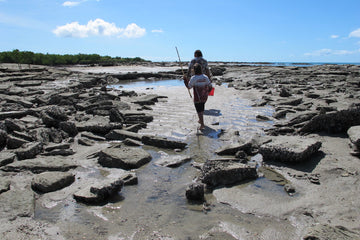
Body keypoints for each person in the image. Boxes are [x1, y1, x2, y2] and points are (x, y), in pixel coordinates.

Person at [184, 63, 212, 130]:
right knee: (201, 108)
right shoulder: (205, 77)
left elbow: (189, 87)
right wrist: (207, 92)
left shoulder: (194, 78)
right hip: (204, 97)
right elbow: (210, 86)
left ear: (195, 70)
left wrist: (185, 80)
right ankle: (200, 120)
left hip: (197, 98)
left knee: (199, 111)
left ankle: (202, 124)